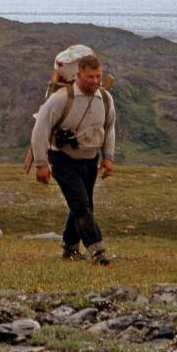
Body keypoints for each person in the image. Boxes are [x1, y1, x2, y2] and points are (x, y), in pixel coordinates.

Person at [31, 54, 116, 265]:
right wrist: (41, 164)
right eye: (90, 77)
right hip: (63, 159)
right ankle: (98, 251)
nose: (95, 81)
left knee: (83, 205)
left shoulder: (105, 99)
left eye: (98, 76)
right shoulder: (60, 98)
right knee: (81, 206)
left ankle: (70, 249)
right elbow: (40, 130)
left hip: (90, 160)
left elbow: (109, 128)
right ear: (78, 75)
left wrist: (108, 157)